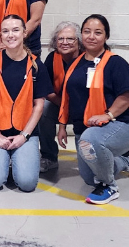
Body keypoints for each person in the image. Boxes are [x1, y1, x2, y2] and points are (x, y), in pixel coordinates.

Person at [58, 14, 129, 205]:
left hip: (119, 125)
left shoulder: (116, 63)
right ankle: (128, 161)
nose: (91, 36)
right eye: (87, 32)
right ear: (81, 34)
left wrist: (107, 114)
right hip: (86, 132)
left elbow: (127, 96)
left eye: (98, 32)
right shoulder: (75, 64)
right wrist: (61, 126)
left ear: (106, 36)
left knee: (91, 144)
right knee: (90, 178)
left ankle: (110, 187)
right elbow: (68, 97)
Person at [0, 14, 52, 192]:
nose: (10, 35)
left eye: (15, 30)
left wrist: (24, 136)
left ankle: (16, 161)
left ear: (24, 33)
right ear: (0, 35)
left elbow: (39, 106)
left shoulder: (36, 65)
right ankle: (4, 161)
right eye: (5, 31)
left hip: (24, 133)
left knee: (27, 184)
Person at [39, 21, 83, 173]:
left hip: (85, 109)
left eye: (70, 39)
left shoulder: (87, 60)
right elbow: (46, 90)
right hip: (61, 105)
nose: (65, 43)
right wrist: (64, 109)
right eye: (60, 39)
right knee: (43, 108)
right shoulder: (52, 58)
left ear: (79, 41)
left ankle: (122, 154)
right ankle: (49, 156)